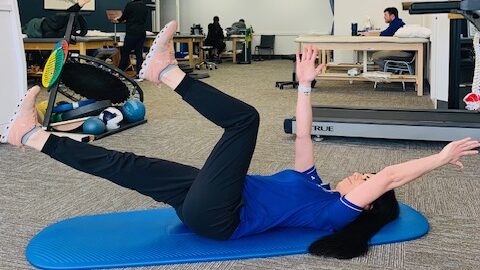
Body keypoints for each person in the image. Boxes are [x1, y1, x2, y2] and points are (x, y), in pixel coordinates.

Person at [3, 21, 479, 259]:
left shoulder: (338, 211)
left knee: (244, 120)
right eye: (367, 175)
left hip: (220, 218)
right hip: (205, 203)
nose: (362, 176)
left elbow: (394, 174)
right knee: (128, 164)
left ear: (367, 202)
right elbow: (304, 137)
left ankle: (165, 72)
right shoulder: (313, 183)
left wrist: (440, 157)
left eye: (368, 181)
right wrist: (306, 85)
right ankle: (33, 137)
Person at [22, 0, 90, 38]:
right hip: (36, 26)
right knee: (58, 23)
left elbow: (83, 32)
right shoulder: (50, 28)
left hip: (39, 26)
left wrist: (78, 10)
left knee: (60, 22)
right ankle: (78, 5)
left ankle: (78, 6)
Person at [114, 0, 149, 73]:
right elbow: (139, 19)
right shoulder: (144, 6)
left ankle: (119, 73)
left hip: (132, 32)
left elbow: (123, 17)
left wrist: (118, 19)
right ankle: (140, 73)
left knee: (125, 53)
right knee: (139, 54)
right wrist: (128, 20)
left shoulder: (130, 5)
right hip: (142, 32)